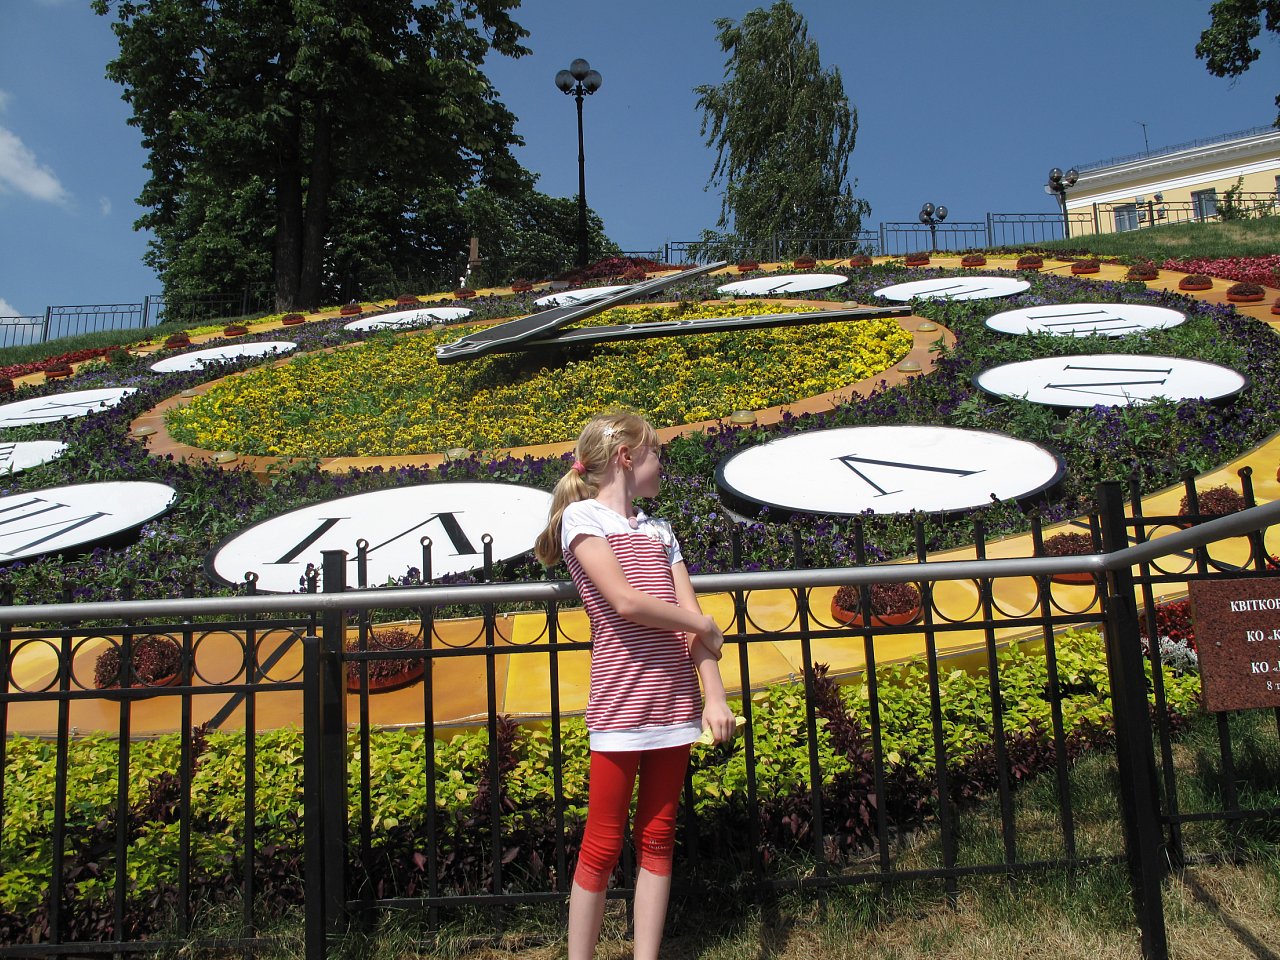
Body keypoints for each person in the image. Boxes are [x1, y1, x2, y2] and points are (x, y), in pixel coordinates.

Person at [535, 411, 735, 960]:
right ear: (626, 457)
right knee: (601, 845)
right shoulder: (583, 519)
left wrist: (714, 695)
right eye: (656, 454)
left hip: (674, 705)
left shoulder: (660, 531)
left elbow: (689, 621)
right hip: (621, 705)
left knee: (658, 839)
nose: (662, 464)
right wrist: (702, 623)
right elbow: (625, 601)